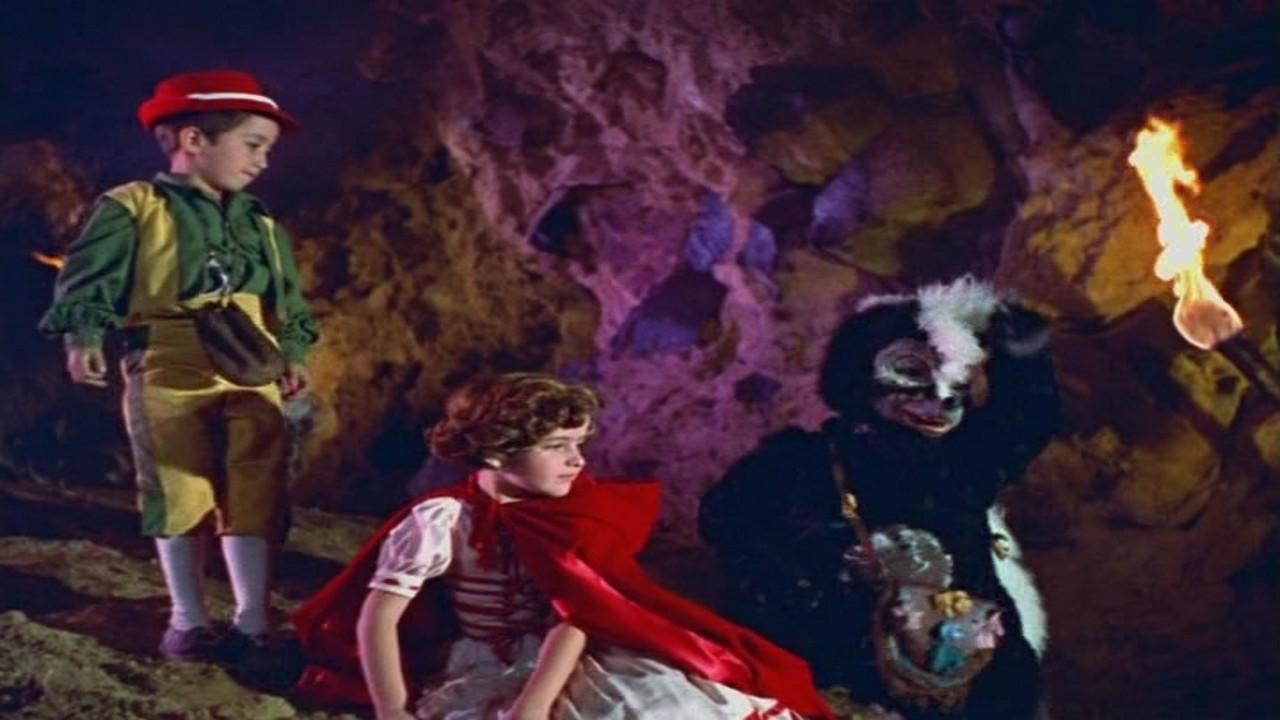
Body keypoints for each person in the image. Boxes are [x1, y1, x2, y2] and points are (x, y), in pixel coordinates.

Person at [293, 373, 834, 720]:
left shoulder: (572, 513)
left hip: (567, 654)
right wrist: (392, 709)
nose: (577, 460)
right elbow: (379, 617)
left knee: (659, 705)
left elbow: (576, 613)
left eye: (578, 444)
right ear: (498, 454)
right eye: (556, 447)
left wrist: (533, 705)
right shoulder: (444, 519)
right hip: (486, 660)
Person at [38, 69, 319, 662]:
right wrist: (83, 335)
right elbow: (90, 276)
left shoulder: (261, 224)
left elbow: (286, 297)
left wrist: (293, 351)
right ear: (194, 140)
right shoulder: (133, 207)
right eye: (253, 144)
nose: (263, 161)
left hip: (249, 361)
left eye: (267, 148)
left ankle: (253, 620)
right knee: (176, 481)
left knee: (257, 481)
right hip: (167, 358)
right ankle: (188, 620)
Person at [700, 277, 1061, 719]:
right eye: (911, 373)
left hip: (974, 678)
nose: (940, 398)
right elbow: (727, 526)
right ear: (861, 378)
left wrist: (1016, 342)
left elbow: (1028, 417)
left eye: (956, 381)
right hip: (837, 671)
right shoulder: (800, 463)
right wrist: (830, 561)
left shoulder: (963, 462)